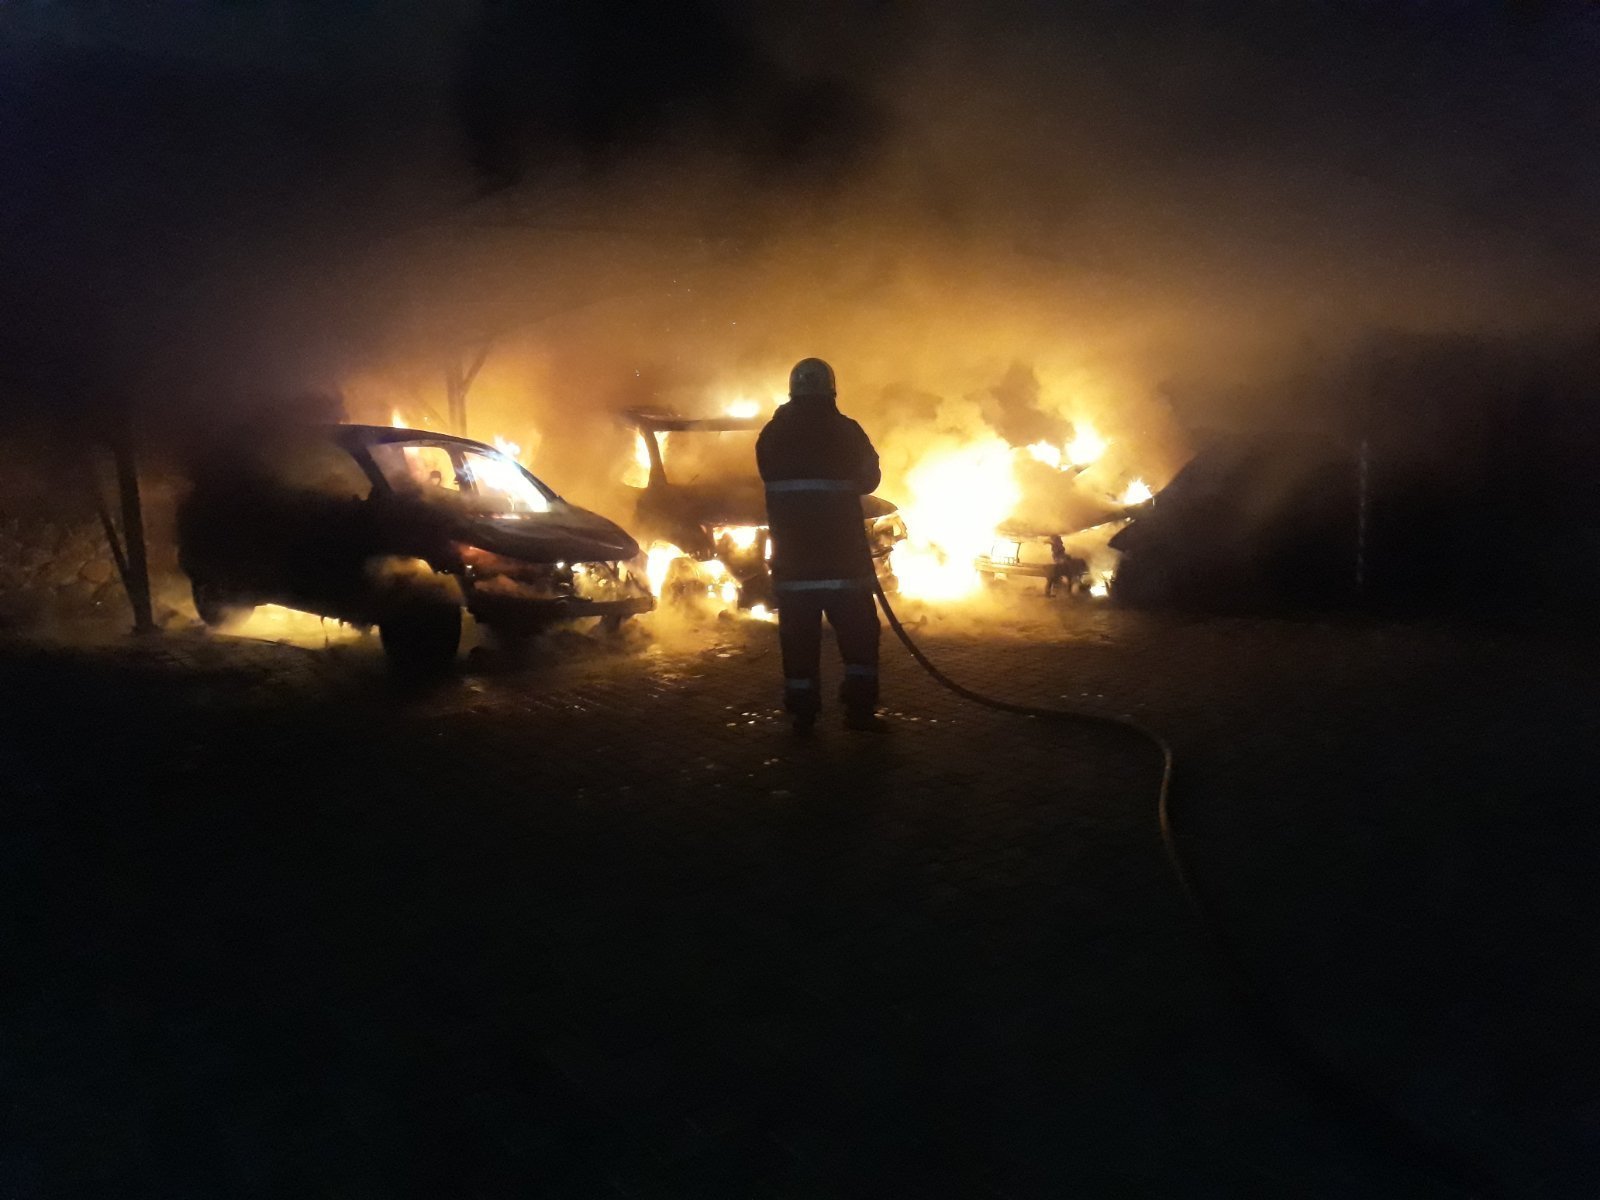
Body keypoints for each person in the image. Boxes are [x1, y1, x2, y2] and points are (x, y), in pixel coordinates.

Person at [757, 357, 886, 734]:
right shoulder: (846, 431)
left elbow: (767, 474)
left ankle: (803, 715)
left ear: (792, 390)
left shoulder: (773, 435)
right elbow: (870, 479)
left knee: (798, 644)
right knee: (859, 639)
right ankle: (859, 712)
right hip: (844, 564)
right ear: (831, 390)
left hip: (794, 565)